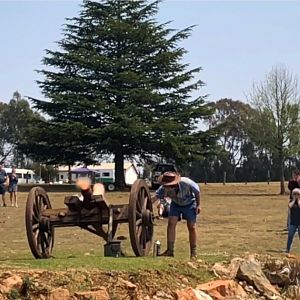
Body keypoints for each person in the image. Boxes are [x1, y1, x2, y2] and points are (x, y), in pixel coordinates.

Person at [152, 172, 201, 259]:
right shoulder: (163, 188)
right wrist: (144, 205)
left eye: (168, 186)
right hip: (176, 204)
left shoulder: (186, 183)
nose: (166, 188)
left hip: (190, 204)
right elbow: (155, 197)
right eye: (165, 185)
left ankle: (193, 253)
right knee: (171, 223)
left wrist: (198, 205)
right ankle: (170, 251)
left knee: (192, 227)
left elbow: (197, 191)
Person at [286, 188, 300, 253]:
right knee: (290, 236)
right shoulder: (291, 201)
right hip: (293, 223)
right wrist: (294, 200)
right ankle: (288, 249)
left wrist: (298, 200)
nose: (296, 195)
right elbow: (289, 206)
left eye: (298, 194)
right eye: (294, 194)